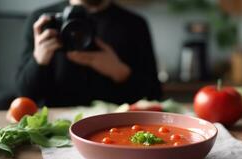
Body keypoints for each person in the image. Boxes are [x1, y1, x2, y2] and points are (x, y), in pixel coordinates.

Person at [16, 0, 162, 107]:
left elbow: (154, 95)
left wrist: (119, 71)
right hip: (55, 128)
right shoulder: (43, 20)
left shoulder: (135, 25)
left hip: (115, 128)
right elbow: (24, 95)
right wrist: (39, 60)